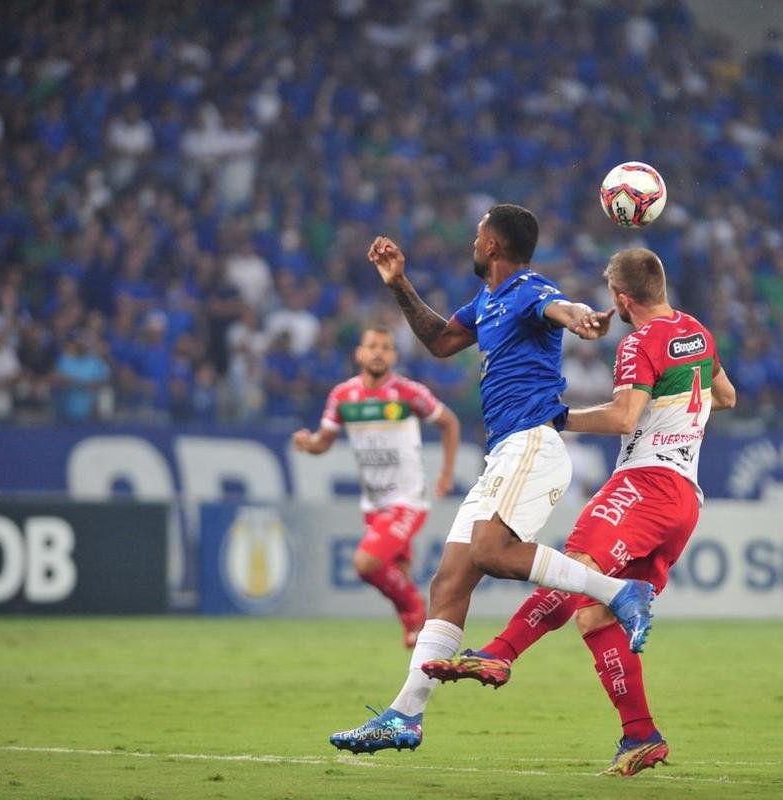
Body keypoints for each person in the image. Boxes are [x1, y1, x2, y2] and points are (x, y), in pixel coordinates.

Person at [330, 204, 654, 754]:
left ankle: (620, 591)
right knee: (449, 583)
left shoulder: (529, 287)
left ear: (494, 245)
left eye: (479, 233)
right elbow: (439, 340)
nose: (473, 241)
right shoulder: (485, 302)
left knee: (490, 551)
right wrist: (398, 282)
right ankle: (405, 716)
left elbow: (559, 307)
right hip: (503, 454)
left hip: (532, 442)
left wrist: (579, 317)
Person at [422, 248, 736, 776]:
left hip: (645, 485)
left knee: (579, 568)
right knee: (594, 611)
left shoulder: (638, 343)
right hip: (684, 497)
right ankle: (640, 735)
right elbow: (724, 395)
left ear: (621, 298)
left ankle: (500, 652)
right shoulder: (696, 331)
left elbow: (622, 417)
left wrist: (558, 418)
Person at [292, 325, 461, 648]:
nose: (379, 352)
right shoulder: (343, 396)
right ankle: (418, 641)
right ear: (360, 353)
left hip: (408, 500)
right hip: (374, 503)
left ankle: (415, 609)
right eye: (372, 346)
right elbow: (323, 442)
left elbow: (449, 422)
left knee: (365, 563)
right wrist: (307, 443)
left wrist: (445, 474)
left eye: (386, 347)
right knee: (398, 571)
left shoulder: (409, 393)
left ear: (394, 356)